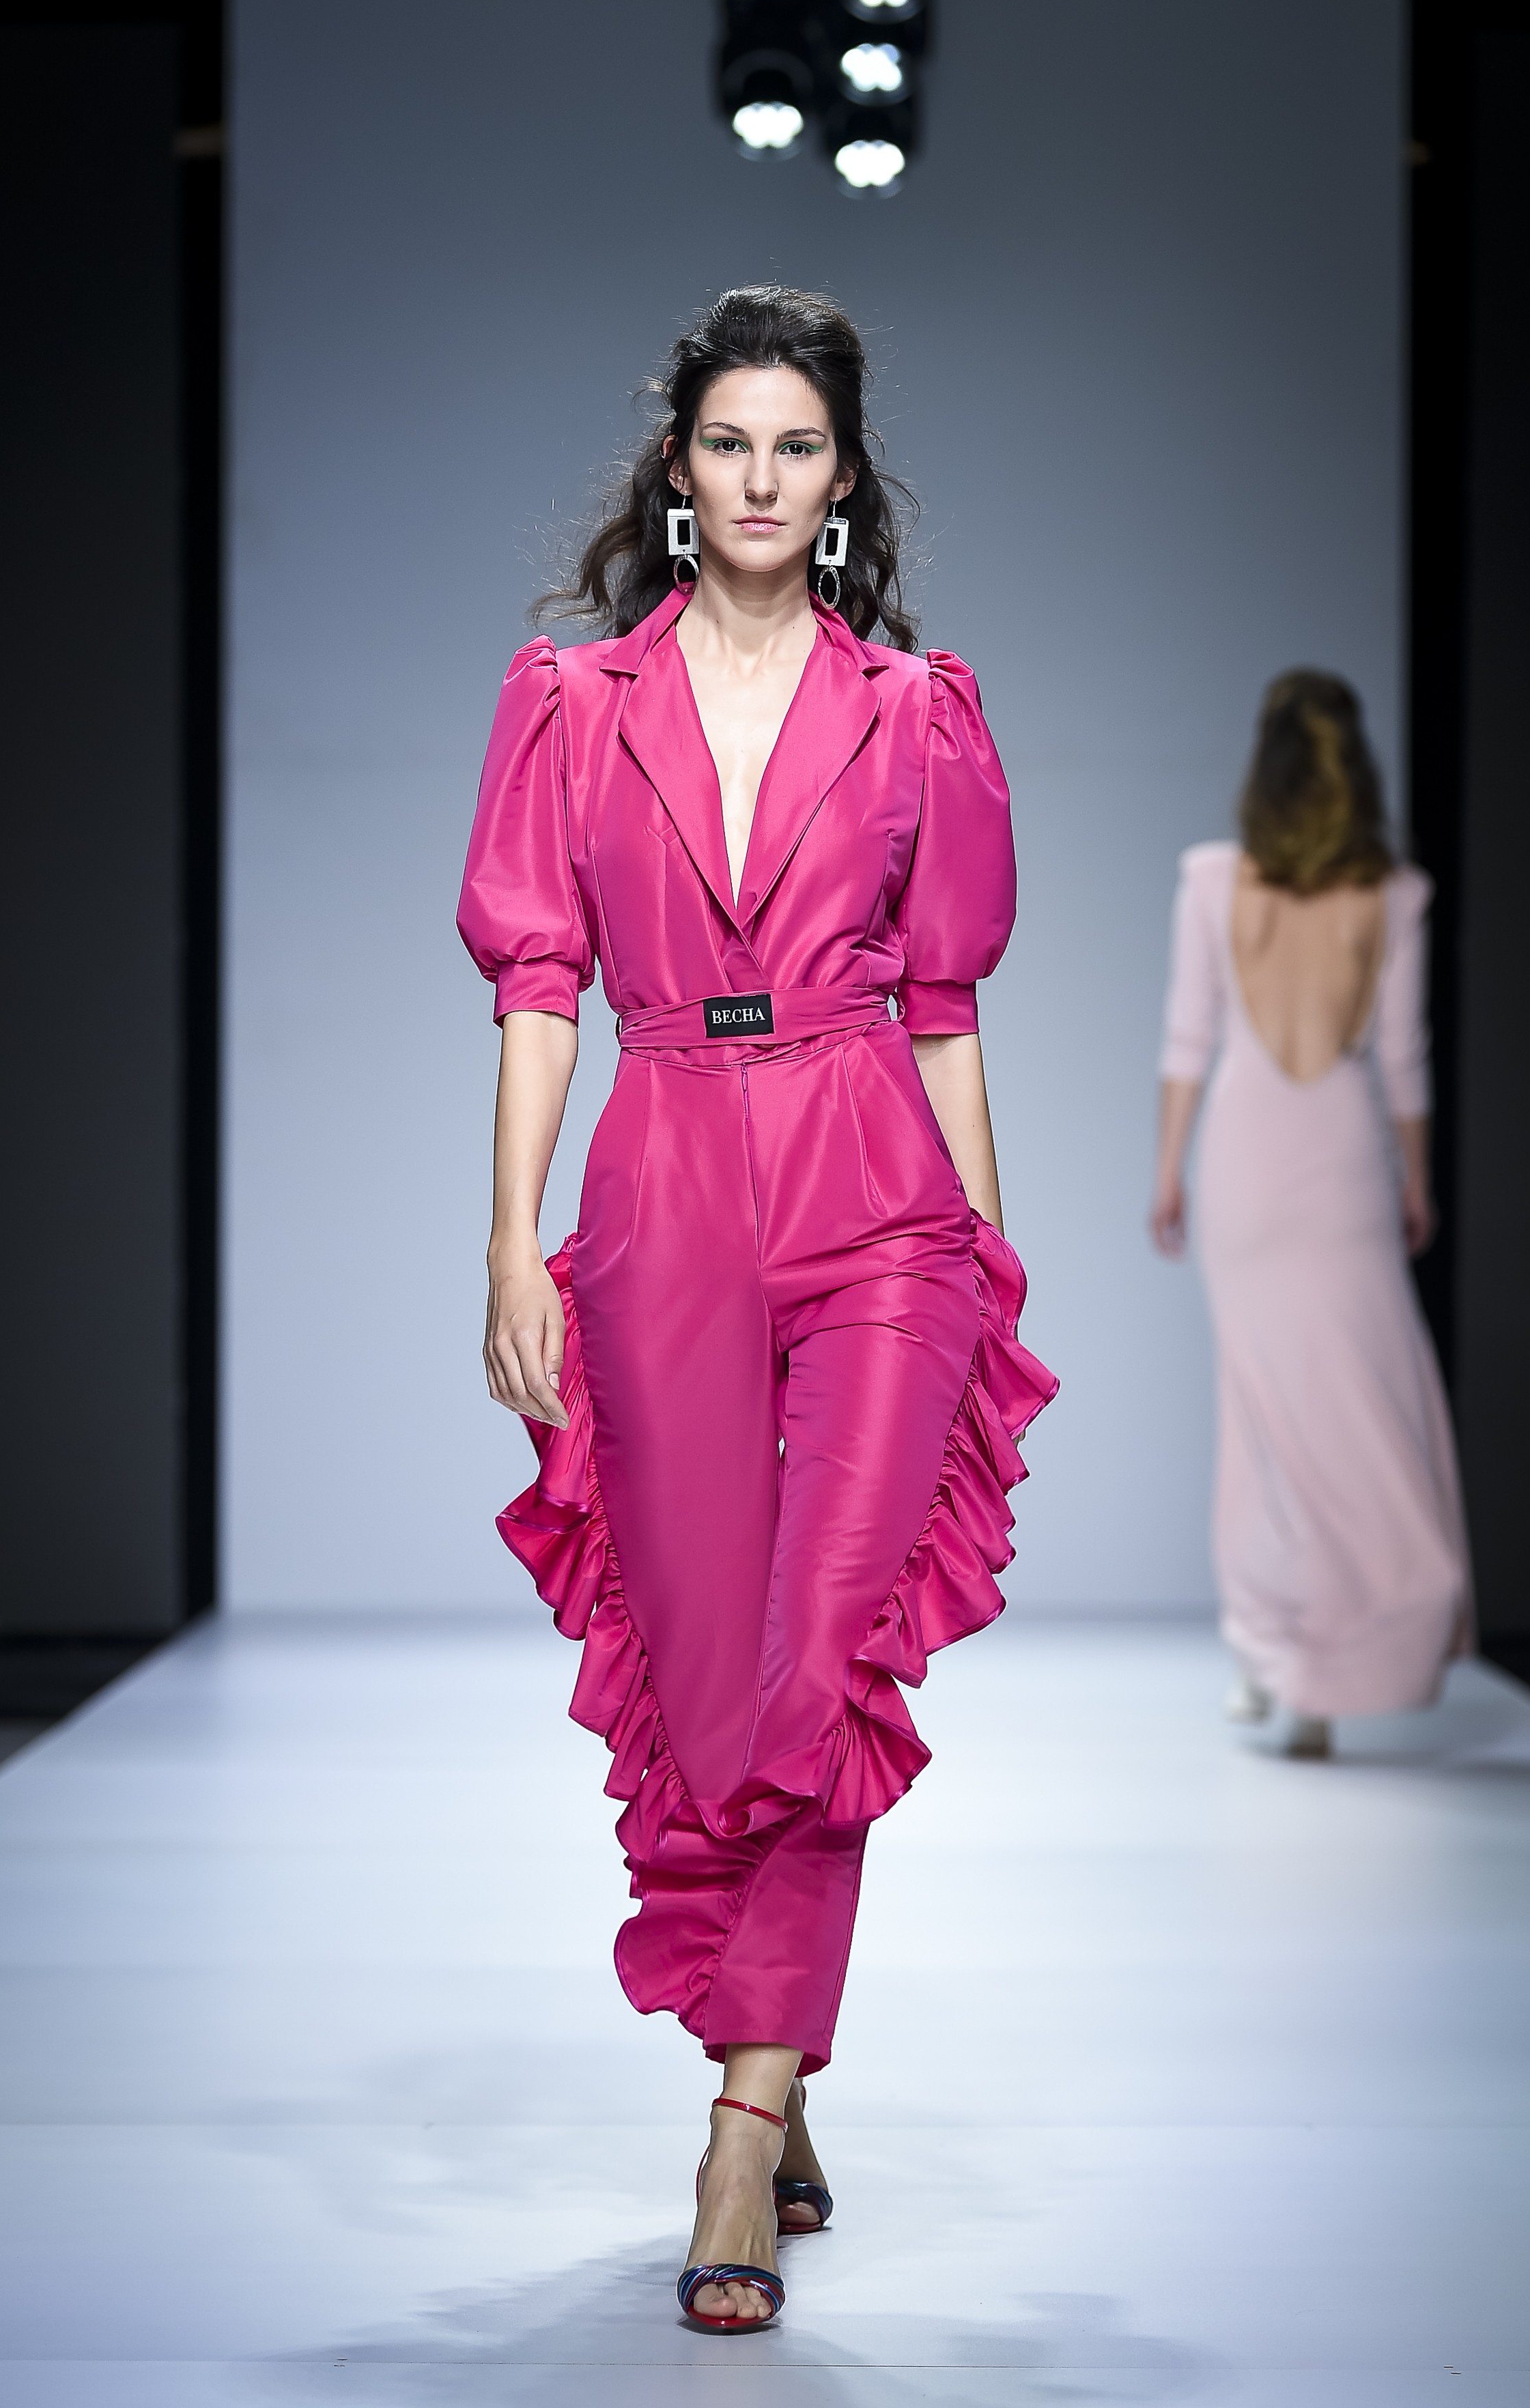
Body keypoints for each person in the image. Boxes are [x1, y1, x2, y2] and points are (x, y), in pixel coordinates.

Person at [457, 287, 1055, 2331]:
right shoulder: (570, 702)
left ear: (842, 478)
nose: (762, 478)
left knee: (823, 1663)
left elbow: (947, 1007)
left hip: (874, 1181)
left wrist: (987, 1262)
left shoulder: (916, 710)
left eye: (798, 446)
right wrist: (511, 1242)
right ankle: (779, 2065)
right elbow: (539, 984)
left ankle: (735, 2130)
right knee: (709, 1681)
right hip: (665, 1181)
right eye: (731, 442)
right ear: (679, 466)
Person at [1150, 670, 1470, 1759]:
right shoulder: (1394, 895)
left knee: (1265, 1419)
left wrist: (1169, 1172)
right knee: (1356, 1417)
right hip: (1342, 1162)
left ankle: (1270, 1652)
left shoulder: (1212, 880)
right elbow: (1402, 1059)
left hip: (1245, 1160)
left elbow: (1189, 1039)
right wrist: (1418, 1182)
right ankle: (1317, 1670)